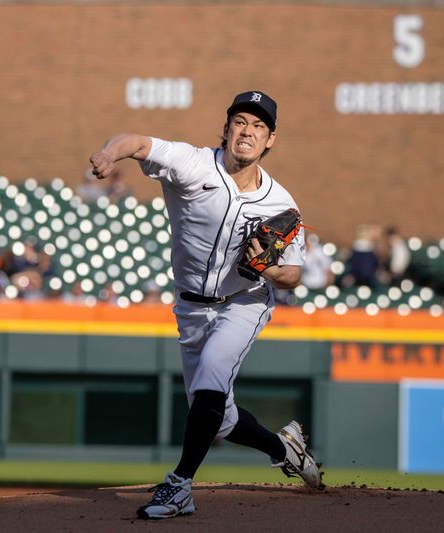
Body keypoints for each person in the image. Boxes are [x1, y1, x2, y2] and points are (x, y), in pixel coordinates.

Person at [90, 90, 322, 520]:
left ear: (270, 139)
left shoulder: (281, 203)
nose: (247, 131)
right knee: (219, 414)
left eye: (258, 126)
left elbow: (293, 274)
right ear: (227, 127)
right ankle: (284, 448)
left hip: (244, 301)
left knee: (215, 371)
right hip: (191, 307)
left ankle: (179, 486)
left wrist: (266, 269)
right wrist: (110, 153)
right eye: (240, 121)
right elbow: (137, 142)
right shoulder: (193, 163)